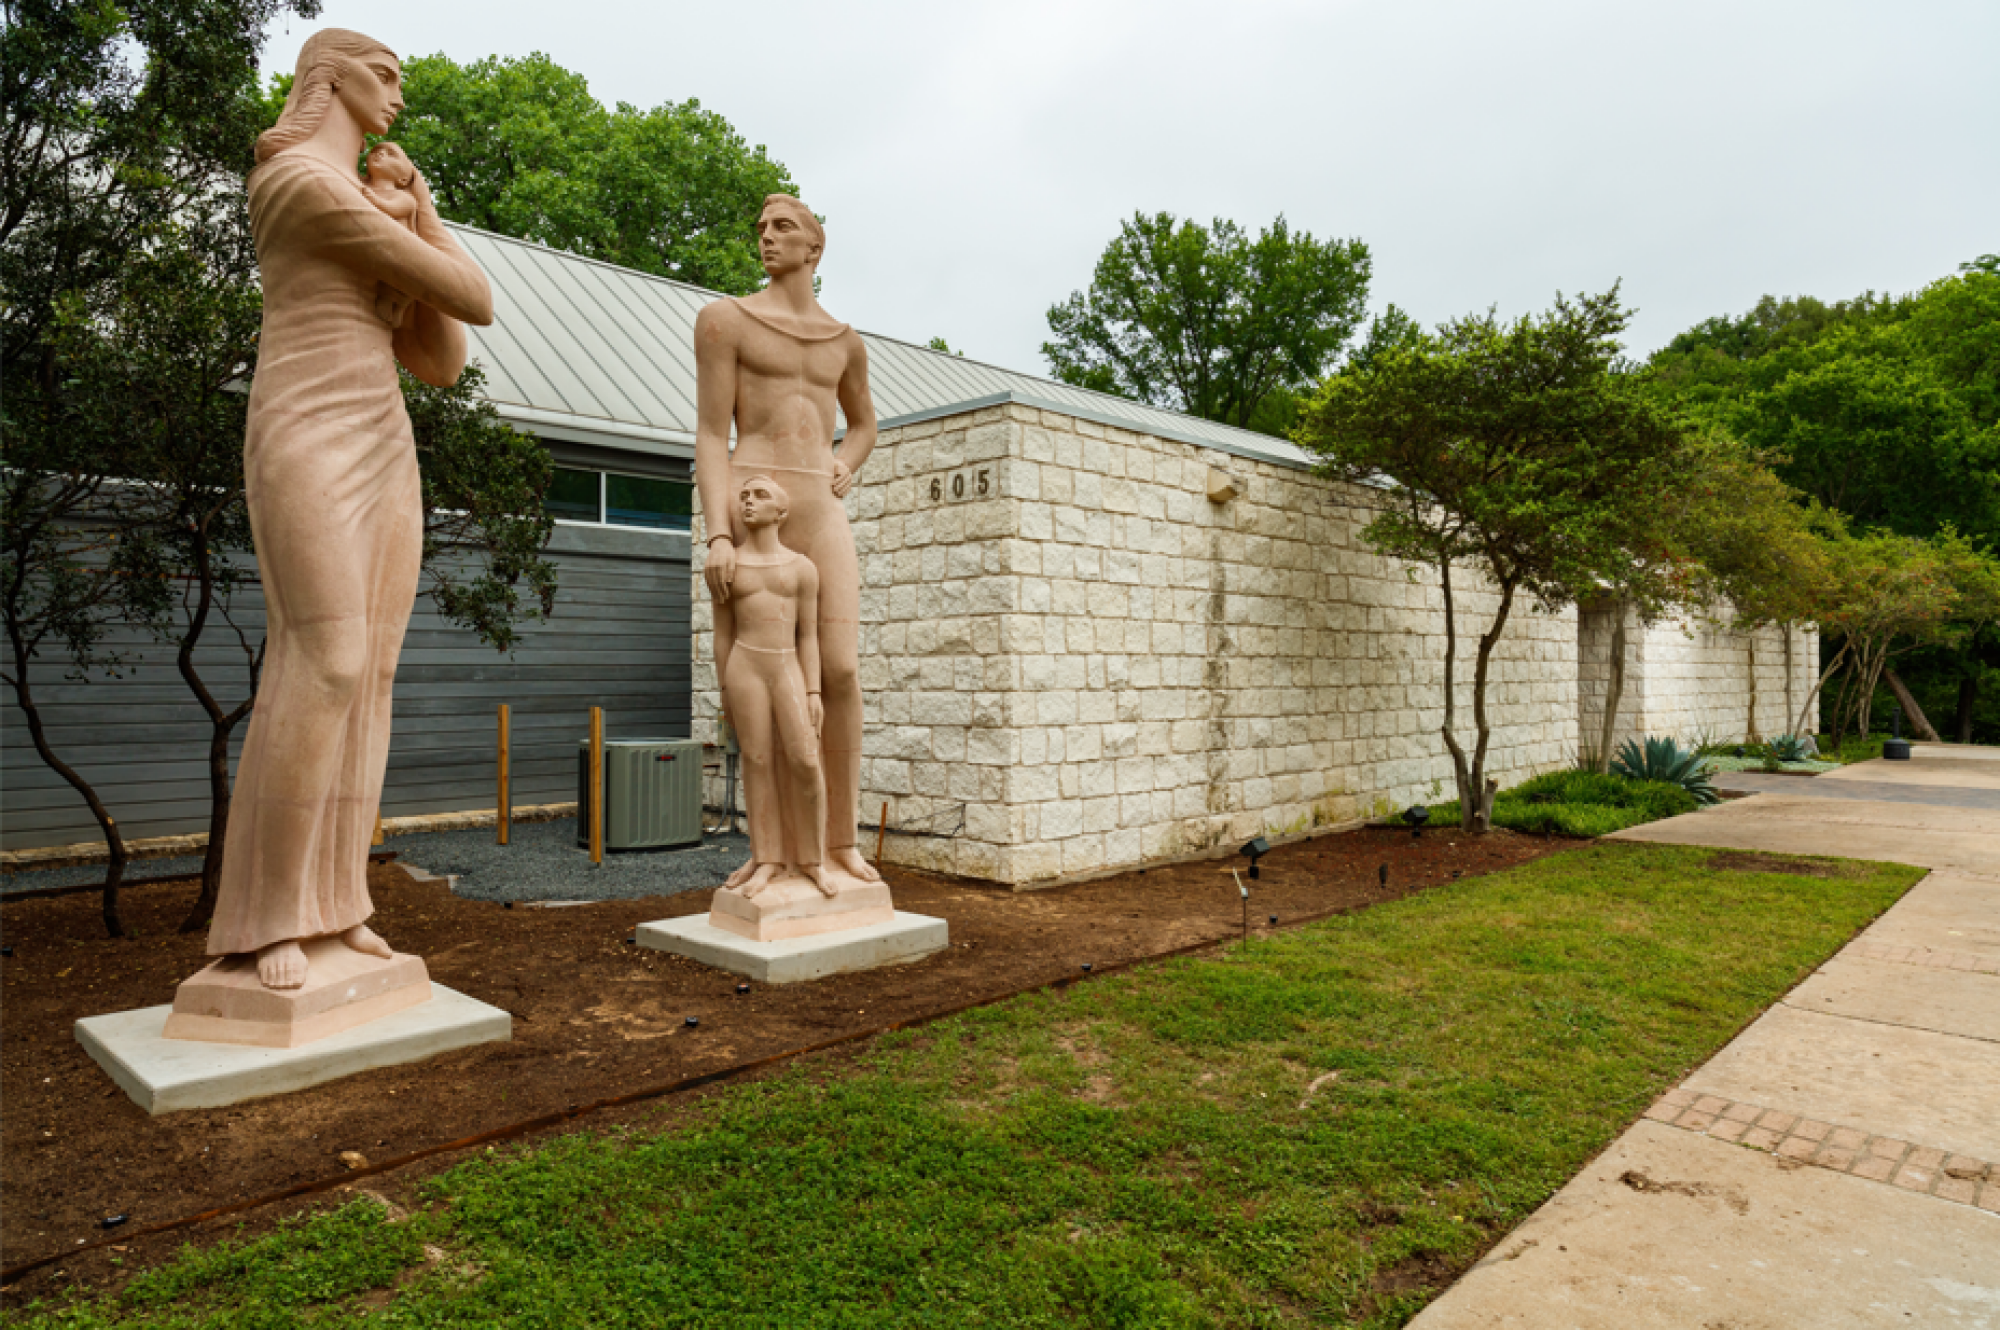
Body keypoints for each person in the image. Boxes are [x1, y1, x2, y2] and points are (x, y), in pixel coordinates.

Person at [205, 29, 494, 990]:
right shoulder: (296, 183)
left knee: (369, 675)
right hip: (304, 422)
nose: (398, 95)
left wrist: (416, 209)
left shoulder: (366, 202)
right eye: (385, 75)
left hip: (383, 429)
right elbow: (475, 293)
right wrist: (419, 217)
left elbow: (444, 360)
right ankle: (266, 919)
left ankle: (338, 909)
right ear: (329, 79)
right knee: (322, 661)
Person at [695, 195, 881, 890]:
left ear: (814, 249)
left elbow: (863, 422)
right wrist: (718, 531)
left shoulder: (844, 340)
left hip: (819, 504)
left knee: (840, 670)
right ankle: (769, 852)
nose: (767, 239)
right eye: (763, 229)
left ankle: (841, 843)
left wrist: (848, 461)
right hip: (752, 500)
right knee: (757, 678)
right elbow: (712, 433)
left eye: (784, 229)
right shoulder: (725, 320)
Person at [718, 476, 833, 899]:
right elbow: (722, 634)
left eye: (760, 495)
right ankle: (765, 857)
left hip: (786, 665)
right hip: (743, 666)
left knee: (805, 760)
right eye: (743, 495)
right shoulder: (730, 565)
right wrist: (723, 690)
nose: (749, 501)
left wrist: (813, 691)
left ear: (781, 511)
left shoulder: (802, 568)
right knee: (758, 760)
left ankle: (813, 859)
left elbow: (809, 636)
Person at [358, 141, 420, 327]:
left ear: (403, 179)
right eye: (376, 151)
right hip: (380, 254)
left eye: (390, 154)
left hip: (404, 254)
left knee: (407, 284)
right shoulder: (361, 184)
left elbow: (395, 209)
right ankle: (388, 302)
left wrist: (376, 201)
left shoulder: (404, 197)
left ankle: (399, 307)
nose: (380, 154)